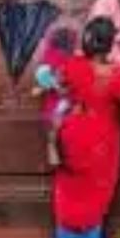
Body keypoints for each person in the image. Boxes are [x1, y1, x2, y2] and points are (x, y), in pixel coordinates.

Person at [50, 16, 120, 238]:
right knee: (95, 194)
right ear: (109, 46)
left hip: (71, 132)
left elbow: (60, 85)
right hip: (100, 140)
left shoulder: (72, 65)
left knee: (69, 191)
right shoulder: (119, 76)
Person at [32, 25, 78, 169]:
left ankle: (64, 151)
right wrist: (55, 85)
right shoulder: (50, 56)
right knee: (56, 122)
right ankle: (52, 146)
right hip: (57, 100)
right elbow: (42, 75)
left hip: (70, 99)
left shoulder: (74, 57)